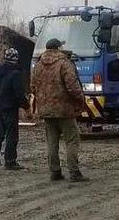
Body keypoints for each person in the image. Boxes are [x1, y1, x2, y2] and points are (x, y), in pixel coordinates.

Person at [31, 38, 88, 182]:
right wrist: (81, 100)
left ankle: (55, 172)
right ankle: (74, 172)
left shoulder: (37, 65)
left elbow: (32, 86)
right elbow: (73, 87)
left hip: (46, 110)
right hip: (64, 110)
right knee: (71, 140)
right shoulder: (64, 63)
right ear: (58, 48)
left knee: (52, 142)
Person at [0, 47, 29, 170]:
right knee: (12, 135)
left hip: (0, 105)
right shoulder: (16, 74)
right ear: (16, 59)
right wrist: (26, 105)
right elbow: (19, 94)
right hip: (10, 107)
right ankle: (10, 161)